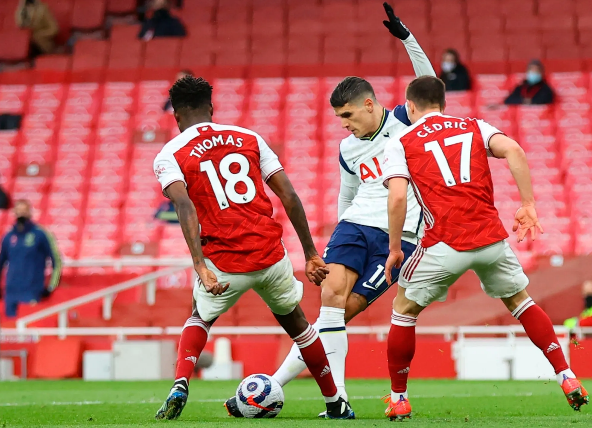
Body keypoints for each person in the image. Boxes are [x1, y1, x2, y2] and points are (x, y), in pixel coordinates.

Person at [230, 2, 433, 416]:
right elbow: (347, 196)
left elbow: (428, 83)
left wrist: (407, 39)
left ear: (371, 104)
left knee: (344, 314)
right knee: (329, 303)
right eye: (339, 117)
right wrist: (331, 240)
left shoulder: (404, 121)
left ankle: (272, 385)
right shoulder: (347, 148)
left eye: (348, 115)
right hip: (355, 227)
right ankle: (337, 399)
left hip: (400, 237)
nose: (344, 124)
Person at [381, 75, 588, 420]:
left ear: (410, 106)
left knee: (403, 311)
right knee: (521, 303)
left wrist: (393, 248)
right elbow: (515, 150)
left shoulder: (401, 141)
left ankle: (399, 398)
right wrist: (528, 204)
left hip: (443, 243)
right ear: (444, 104)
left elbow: (398, 195)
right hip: (491, 240)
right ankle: (566, 377)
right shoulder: (474, 125)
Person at [152, 76, 354, 420]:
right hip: (270, 255)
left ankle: (180, 383)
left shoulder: (169, 154)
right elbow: (288, 196)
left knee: (200, 316)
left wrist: (200, 265)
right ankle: (335, 402)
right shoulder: (249, 138)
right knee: (300, 327)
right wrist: (309, 253)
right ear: (211, 109)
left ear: (176, 115)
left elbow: (184, 207)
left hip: (224, 262)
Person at [0, 200, 61, 317]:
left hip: (32, 291)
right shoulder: (8, 236)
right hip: (11, 292)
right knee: (10, 330)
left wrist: (51, 287)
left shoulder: (41, 234)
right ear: (14, 212)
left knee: (29, 330)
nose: (21, 213)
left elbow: (56, 261)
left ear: (30, 212)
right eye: (18, 210)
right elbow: (1, 262)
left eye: (24, 210)